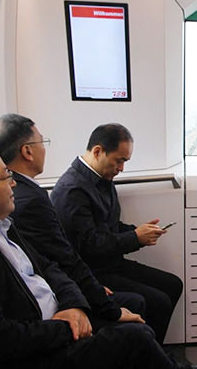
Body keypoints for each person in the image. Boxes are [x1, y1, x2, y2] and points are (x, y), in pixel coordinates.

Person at [0, 143, 197, 369]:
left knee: (142, 325)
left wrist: (74, 305)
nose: (13, 183)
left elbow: (49, 269)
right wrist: (65, 327)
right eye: (4, 177)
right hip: (41, 351)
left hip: (63, 314)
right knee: (137, 333)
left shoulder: (3, 226)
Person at [0, 114, 146, 330]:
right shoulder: (33, 199)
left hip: (61, 284)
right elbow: (65, 258)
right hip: (54, 297)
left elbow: (45, 260)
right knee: (139, 318)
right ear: (28, 151)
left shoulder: (20, 197)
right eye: (42, 141)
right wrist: (96, 299)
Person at [50, 123, 183, 344]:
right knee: (157, 301)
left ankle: (152, 352)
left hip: (111, 263)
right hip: (92, 271)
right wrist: (135, 238)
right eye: (119, 160)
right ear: (97, 151)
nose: (121, 168)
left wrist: (138, 232)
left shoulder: (103, 179)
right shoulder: (72, 190)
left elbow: (109, 226)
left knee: (173, 284)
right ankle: (148, 354)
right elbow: (88, 245)